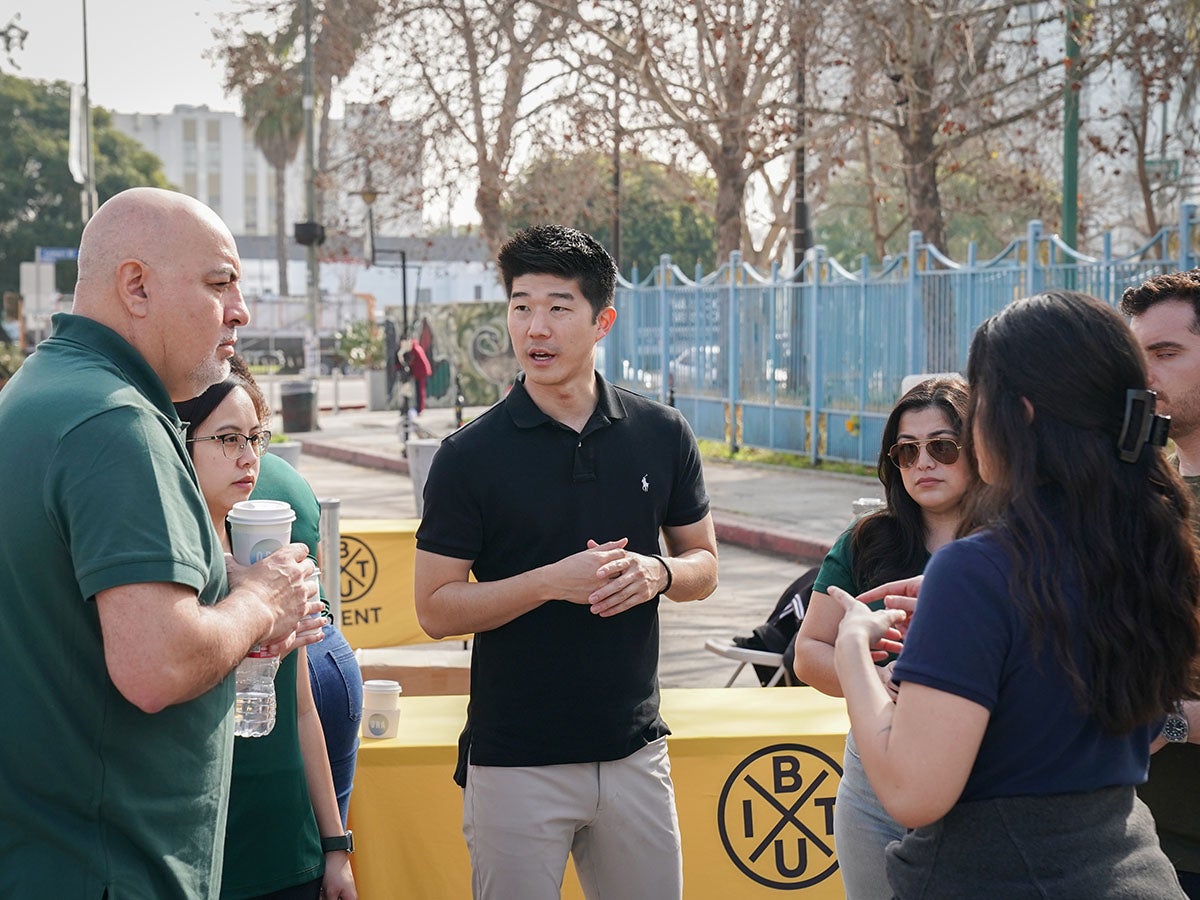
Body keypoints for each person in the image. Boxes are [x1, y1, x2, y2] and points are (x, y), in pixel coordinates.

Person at [0, 187, 322, 897]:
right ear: (136, 286)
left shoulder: (41, 391)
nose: (240, 310)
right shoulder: (117, 421)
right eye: (218, 284)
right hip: (114, 867)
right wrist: (261, 601)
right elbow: (156, 665)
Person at [831, 290, 1200, 897]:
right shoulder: (1147, 546)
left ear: (1018, 414)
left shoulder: (977, 570)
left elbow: (912, 792)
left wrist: (852, 647)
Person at [413, 224, 719, 900]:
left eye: (557, 307)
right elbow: (434, 608)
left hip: (637, 751)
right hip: (516, 762)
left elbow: (703, 563)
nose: (535, 328)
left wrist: (658, 573)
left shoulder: (661, 434)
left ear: (601, 319)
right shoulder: (469, 456)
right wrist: (552, 583)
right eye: (521, 306)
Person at [792, 377, 976, 900]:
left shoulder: (1014, 543)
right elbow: (808, 654)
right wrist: (874, 677)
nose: (924, 463)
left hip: (983, 782)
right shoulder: (866, 538)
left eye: (943, 447)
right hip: (873, 781)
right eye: (906, 451)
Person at [176, 368, 356, 900]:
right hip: (200, 852)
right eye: (228, 438)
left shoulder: (271, 567)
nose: (249, 456)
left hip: (287, 847)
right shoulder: (165, 577)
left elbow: (301, 709)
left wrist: (335, 845)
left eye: (256, 437)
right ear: (178, 445)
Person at [232, 357, 364, 827]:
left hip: (287, 664)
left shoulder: (201, 483)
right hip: (330, 657)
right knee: (327, 841)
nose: (245, 456)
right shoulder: (286, 477)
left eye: (249, 438)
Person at [1122, 270, 1200, 897]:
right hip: (1144, 837)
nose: (1145, 375)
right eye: (1136, 355)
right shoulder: (1146, 491)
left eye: (1166, 353)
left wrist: (1170, 721)